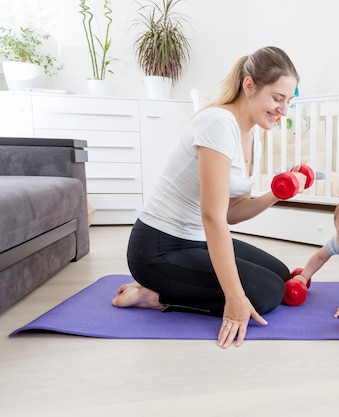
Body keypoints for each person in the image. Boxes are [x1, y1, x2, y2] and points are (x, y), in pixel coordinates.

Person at [111, 46, 303, 348]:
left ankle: (171, 286)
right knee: (266, 294)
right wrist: (235, 297)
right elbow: (213, 217)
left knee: (280, 275)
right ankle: (156, 295)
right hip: (157, 248)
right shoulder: (218, 123)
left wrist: (277, 194)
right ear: (249, 85)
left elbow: (232, 211)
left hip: (194, 240)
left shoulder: (253, 138)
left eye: (288, 101)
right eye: (277, 98)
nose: (283, 110)